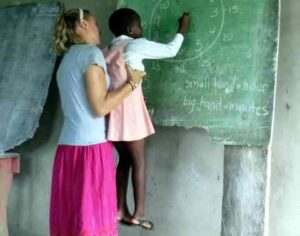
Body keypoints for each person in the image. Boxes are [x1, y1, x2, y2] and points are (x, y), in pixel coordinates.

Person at [50, 8, 145, 236]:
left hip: (68, 150)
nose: (99, 27)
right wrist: (132, 84)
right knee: (92, 224)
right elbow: (100, 107)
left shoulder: (68, 57)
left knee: (72, 222)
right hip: (90, 151)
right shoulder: (91, 54)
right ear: (83, 26)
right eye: (94, 23)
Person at [103, 8, 189, 230]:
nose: (142, 29)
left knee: (124, 160)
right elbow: (171, 50)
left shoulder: (108, 49)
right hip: (130, 112)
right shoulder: (135, 44)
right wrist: (183, 27)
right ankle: (139, 214)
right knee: (139, 160)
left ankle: (119, 209)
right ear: (131, 29)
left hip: (113, 110)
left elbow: (114, 80)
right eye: (139, 25)